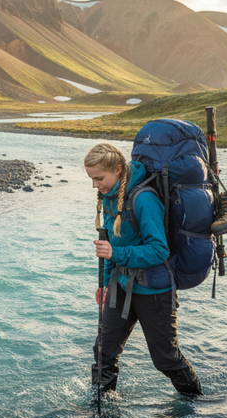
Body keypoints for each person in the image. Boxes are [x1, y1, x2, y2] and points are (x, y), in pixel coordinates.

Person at [84, 142, 203, 397]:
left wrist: (116, 254)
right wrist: (104, 283)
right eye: (92, 179)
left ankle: (195, 403)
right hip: (121, 286)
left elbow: (159, 250)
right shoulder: (109, 197)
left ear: (117, 169)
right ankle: (103, 409)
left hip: (154, 290)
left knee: (166, 359)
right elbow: (110, 244)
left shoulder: (144, 199)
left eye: (98, 178)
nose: (95, 185)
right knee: (104, 352)